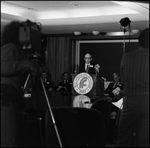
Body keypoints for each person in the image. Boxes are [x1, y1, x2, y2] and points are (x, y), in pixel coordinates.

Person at [1, 20, 39, 147]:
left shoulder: (19, 51)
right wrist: (26, 64)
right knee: (8, 138)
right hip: (4, 100)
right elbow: (2, 67)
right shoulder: (10, 47)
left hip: (9, 100)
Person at [116, 28, 149, 147]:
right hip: (148, 102)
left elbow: (123, 79)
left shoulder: (126, 57)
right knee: (145, 140)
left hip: (130, 101)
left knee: (123, 139)